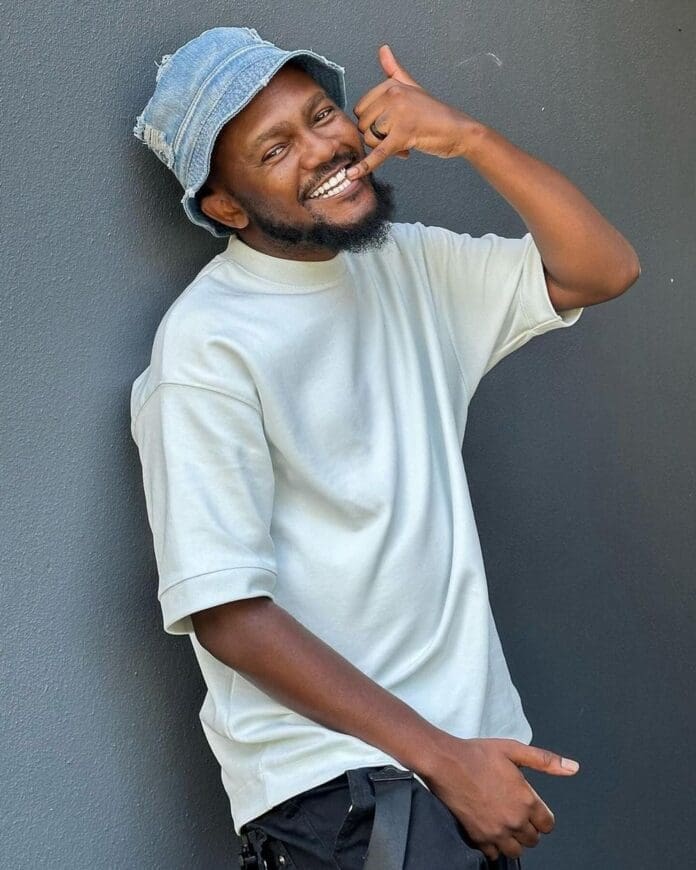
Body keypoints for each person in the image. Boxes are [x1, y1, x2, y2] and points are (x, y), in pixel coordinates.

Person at [130, 26, 640, 870]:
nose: (325, 146)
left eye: (322, 112)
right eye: (276, 147)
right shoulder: (207, 346)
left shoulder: (407, 268)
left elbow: (603, 269)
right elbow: (225, 611)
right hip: (340, 797)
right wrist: (441, 759)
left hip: (460, 776)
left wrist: (469, 137)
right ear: (223, 206)